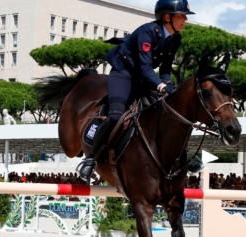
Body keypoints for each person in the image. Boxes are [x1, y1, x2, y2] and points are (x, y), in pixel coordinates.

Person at [77, 0, 197, 182]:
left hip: (144, 78)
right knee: (116, 116)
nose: (185, 19)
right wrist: (160, 86)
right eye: (181, 15)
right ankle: (90, 159)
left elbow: (165, 68)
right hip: (124, 74)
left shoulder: (175, 38)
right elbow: (146, 69)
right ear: (167, 17)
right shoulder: (148, 32)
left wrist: (167, 83)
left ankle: (183, 157)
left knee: (171, 112)